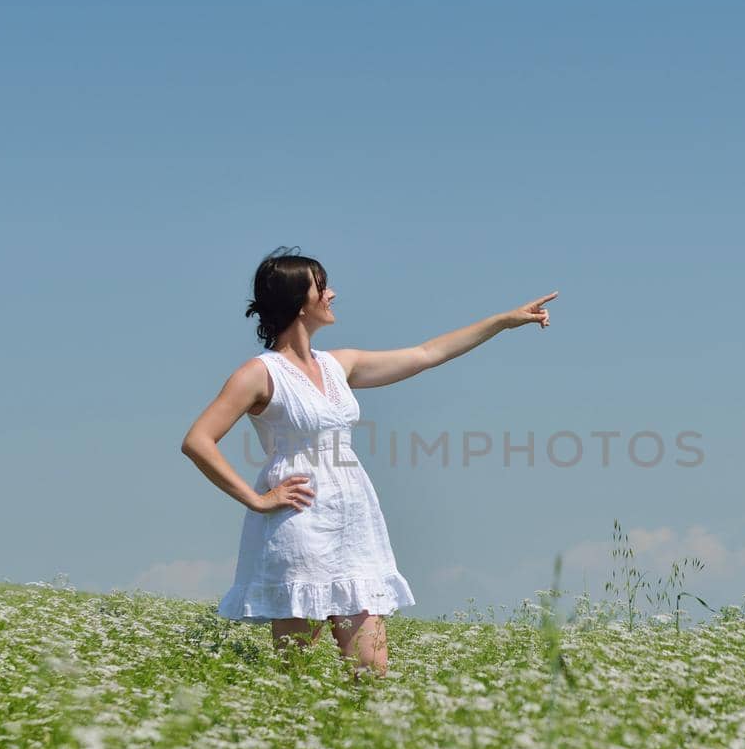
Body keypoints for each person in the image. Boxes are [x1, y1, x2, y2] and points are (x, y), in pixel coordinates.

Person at [181, 246, 557, 680]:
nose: (332, 294)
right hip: (298, 524)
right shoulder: (259, 373)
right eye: (322, 287)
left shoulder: (340, 364)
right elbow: (198, 440)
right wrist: (256, 499)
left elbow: (426, 353)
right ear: (298, 302)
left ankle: (356, 744)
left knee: (371, 672)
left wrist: (503, 321)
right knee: (296, 674)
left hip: (354, 523)